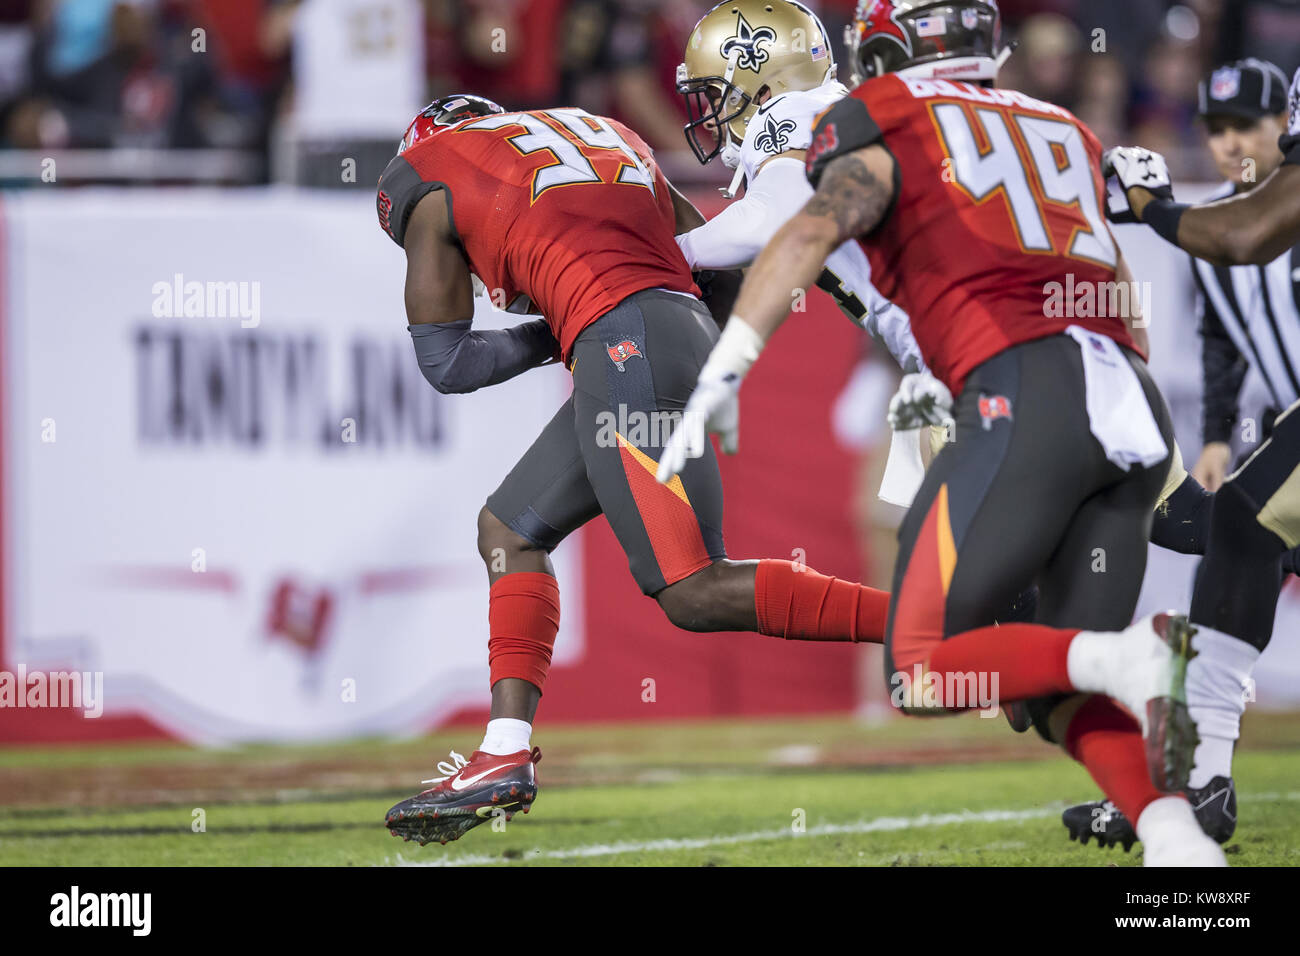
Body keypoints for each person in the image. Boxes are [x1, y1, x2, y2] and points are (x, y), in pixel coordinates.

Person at [658, 0, 1226, 866]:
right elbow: (1111, 281)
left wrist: (700, 335)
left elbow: (791, 226)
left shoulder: (864, 115)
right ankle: (1178, 840)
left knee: (924, 670)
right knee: (1048, 682)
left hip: (1010, 389)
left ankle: (1137, 662)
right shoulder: (1058, 121)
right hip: (1119, 391)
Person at [374, 93, 891, 846]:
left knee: (691, 588)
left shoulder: (424, 170)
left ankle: (930, 622)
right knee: (509, 529)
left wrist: (567, 331)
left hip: (620, 341)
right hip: (659, 329)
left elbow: (449, 362)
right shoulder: (603, 130)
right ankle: (502, 754)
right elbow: (707, 259)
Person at [1060, 61, 1300, 852]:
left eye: (1254, 127)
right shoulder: (1235, 213)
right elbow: (1226, 309)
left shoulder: (1246, 214)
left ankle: (1197, 779)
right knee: (1232, 530)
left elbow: (1238, 233)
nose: (1235, 144)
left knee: (1228, 525)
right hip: (1284, 419)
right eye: (1218, 129)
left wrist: (1153, 206)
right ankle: (1197, 779)